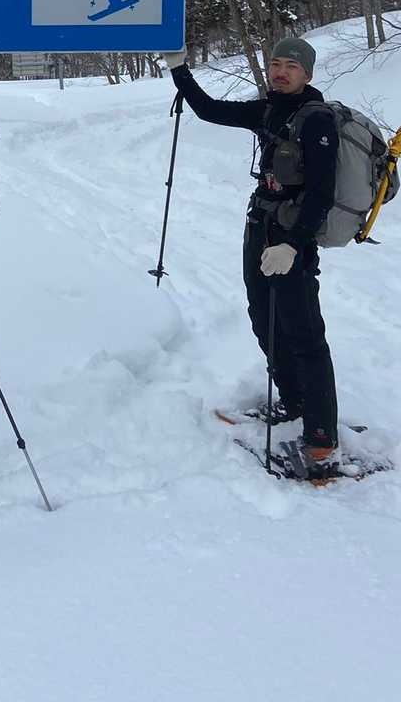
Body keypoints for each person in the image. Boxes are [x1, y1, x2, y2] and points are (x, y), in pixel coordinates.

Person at [162, 37, 341, 474]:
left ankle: (321, 436)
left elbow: (322, 193)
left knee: (303, 332)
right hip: (260, 228)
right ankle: (293, 400)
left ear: (307, 74)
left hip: (292, 239)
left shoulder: (317, 119)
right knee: (264, 320)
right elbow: (210, 110)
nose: (280, 72)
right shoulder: (268, 109)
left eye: (291, 66)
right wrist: (179, 69)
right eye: (276, 64)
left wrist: (294, 244)